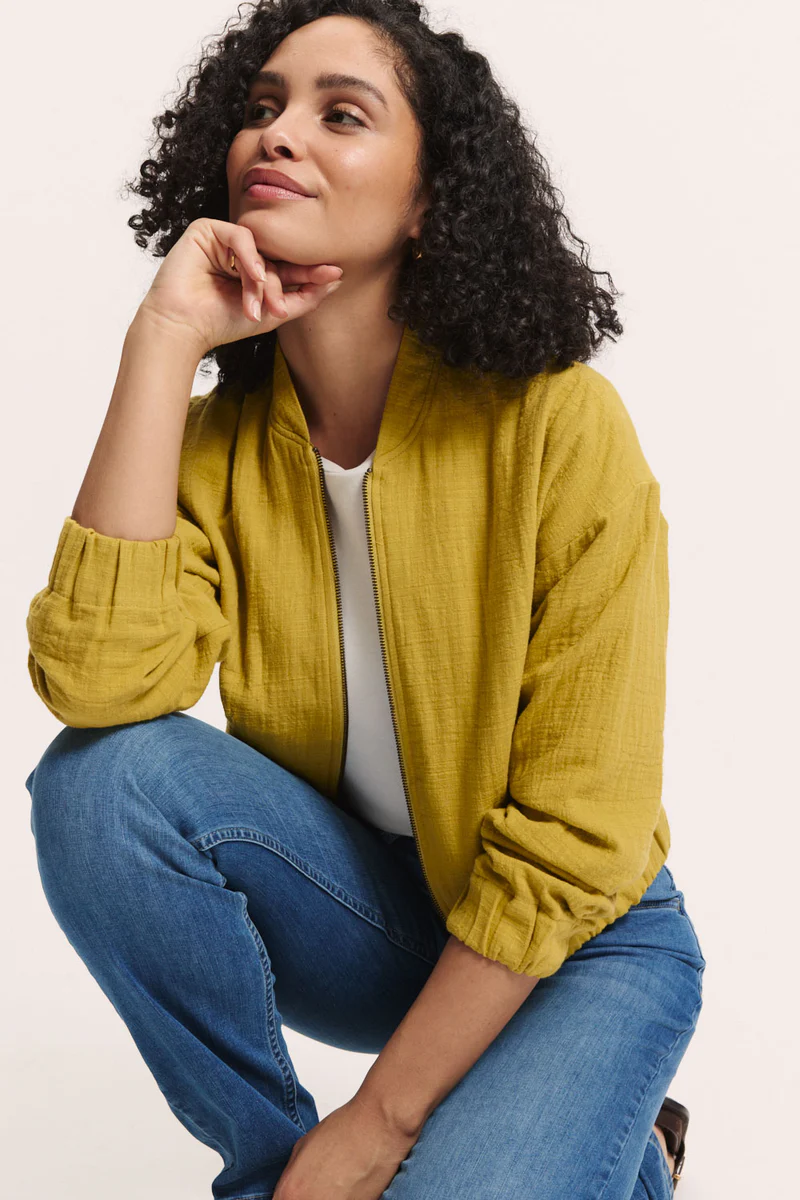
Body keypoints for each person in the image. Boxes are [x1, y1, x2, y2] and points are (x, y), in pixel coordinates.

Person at [24, 2, 706, 1197]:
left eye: (340, 114)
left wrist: (381, 1118)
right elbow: (97, 686)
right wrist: (164, 340)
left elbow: (577, 836)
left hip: (579, 943)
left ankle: (616, 1141)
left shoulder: (554, 424)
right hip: (381, 913)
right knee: (100, 784)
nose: (277, 134)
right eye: (260, 108)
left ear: (431, 199)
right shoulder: (217, 447)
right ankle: (275, 1176)